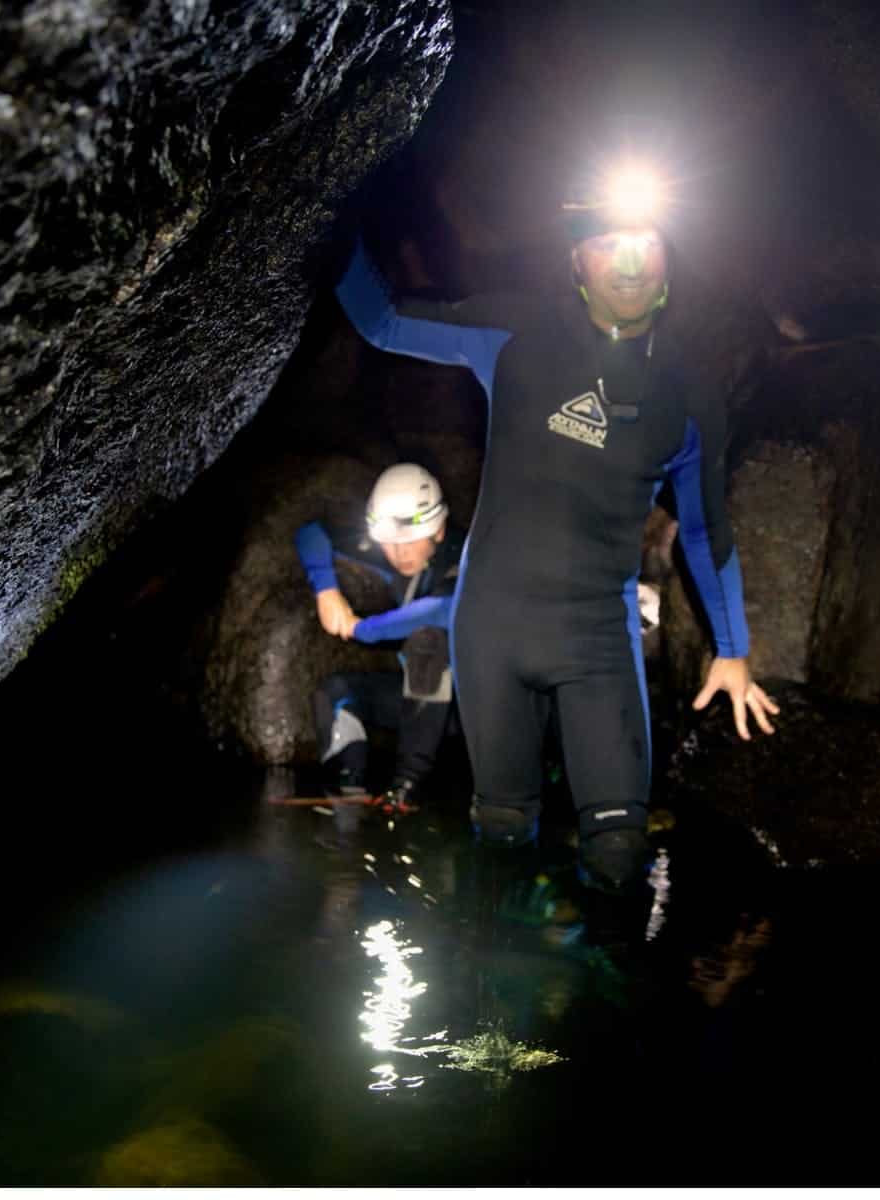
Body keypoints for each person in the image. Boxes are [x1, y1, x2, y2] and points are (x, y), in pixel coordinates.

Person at [333, 161, 779, 891]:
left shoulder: (690, 397)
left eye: (645, 240)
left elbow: (704, 530)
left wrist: (732, 651)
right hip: (494, 631)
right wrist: (324, 204)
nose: (629, 260)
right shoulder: (512, 333)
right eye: (607, 242)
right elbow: (382, 321)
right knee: (502, 836)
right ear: (577, 261)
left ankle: (601, 992)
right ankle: (496, 995)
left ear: (668, 260)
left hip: (598, 641)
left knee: (617, 854)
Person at [295, 462, 464, 812]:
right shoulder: (393, 549)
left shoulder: (466, 553)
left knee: (427, 642)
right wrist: (326, 591)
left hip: (475, 713)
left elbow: (440, 610)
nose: (399, 553)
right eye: (390, 543)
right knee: (336, 692)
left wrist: (360, 628)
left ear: (439, 530)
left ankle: (406, 788)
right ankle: (347, 789)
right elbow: (311, 532)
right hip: (421, 706)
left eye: (410, 541)